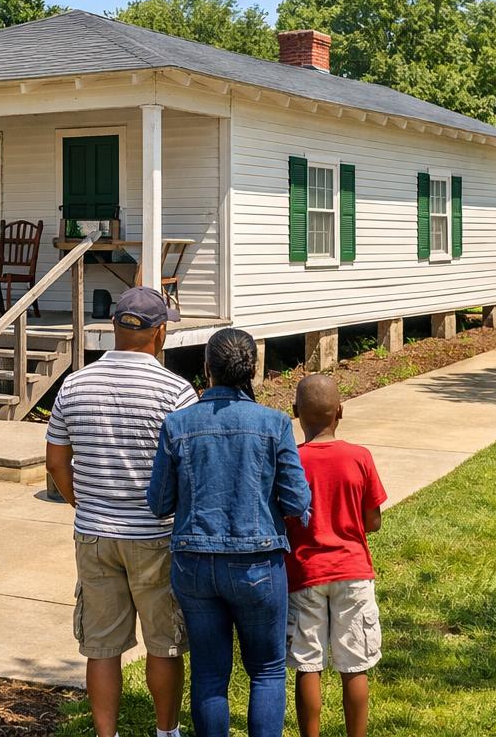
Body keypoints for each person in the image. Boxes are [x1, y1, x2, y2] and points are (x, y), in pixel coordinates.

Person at [46, 287, 196, 737]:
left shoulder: (75, 384)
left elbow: (56, 462)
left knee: (102, 646)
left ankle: (105, 733)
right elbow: (188, 469)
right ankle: (166, 732)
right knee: (164, 644)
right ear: (160, 332)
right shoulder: (177, 391)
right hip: (155, 533)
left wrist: (83, 503)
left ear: (113, 327)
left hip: (94, 532)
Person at [147, 328, 312, 737]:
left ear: (207, 369)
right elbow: (296, 500)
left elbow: (159, 503)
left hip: (194, 566)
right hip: (257, 564)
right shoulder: (274, 424)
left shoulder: (177, 424)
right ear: (252, 370)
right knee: (267, 670)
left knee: (209, 672)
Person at [285, 375, 386, 737]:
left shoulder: (291, 460)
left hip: (304, 573)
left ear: (295, 413)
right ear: (340, 411)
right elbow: (372, 520)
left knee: (307, 663)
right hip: (353, 571)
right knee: (354, 664)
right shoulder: (360, 457)